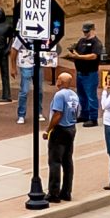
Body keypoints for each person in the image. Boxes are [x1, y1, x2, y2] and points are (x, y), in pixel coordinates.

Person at [44, 63, 82, 201]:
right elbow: (78, 112)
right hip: (71, 128)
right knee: (67, 161)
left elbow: (57, 114)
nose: (57, 81)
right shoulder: (74, 95)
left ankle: (53, 193)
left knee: (55, 161)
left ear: (61, 82)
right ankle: (66, 191)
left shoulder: (60, 95)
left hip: (60, 130)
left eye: (59, 79)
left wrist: (48, 129)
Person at [71, 23, 105, 124]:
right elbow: (75, 51)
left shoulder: (96, 43)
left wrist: (79, 57)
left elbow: (94, 56)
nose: (85, 33)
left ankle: (93, 118)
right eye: (84, 31)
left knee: (91, 96)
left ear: (93, 30)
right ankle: (84, 114)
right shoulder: (81, 41)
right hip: (80, 72)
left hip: (90, 73)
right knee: (81, 95)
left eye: (87, 31)